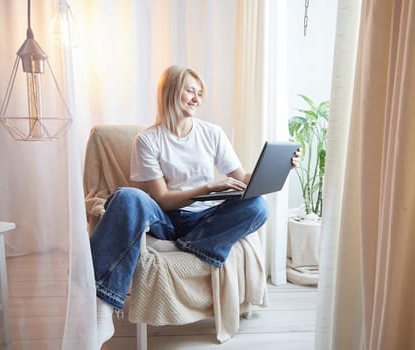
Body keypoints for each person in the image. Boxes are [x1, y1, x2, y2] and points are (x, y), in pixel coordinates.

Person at [90, 65, 301, 348]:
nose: (196, 97)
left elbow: (242, 179)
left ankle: (192, 244)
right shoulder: (148, 140)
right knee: (127, 196)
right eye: (190, 90)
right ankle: (101, 300)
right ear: (171, 91)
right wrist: (209, 187)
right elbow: (162, 198)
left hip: (204, 219)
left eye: (200, 93)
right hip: (165, 216)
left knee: (258, 208)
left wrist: (279, 168)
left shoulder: (211, 133)